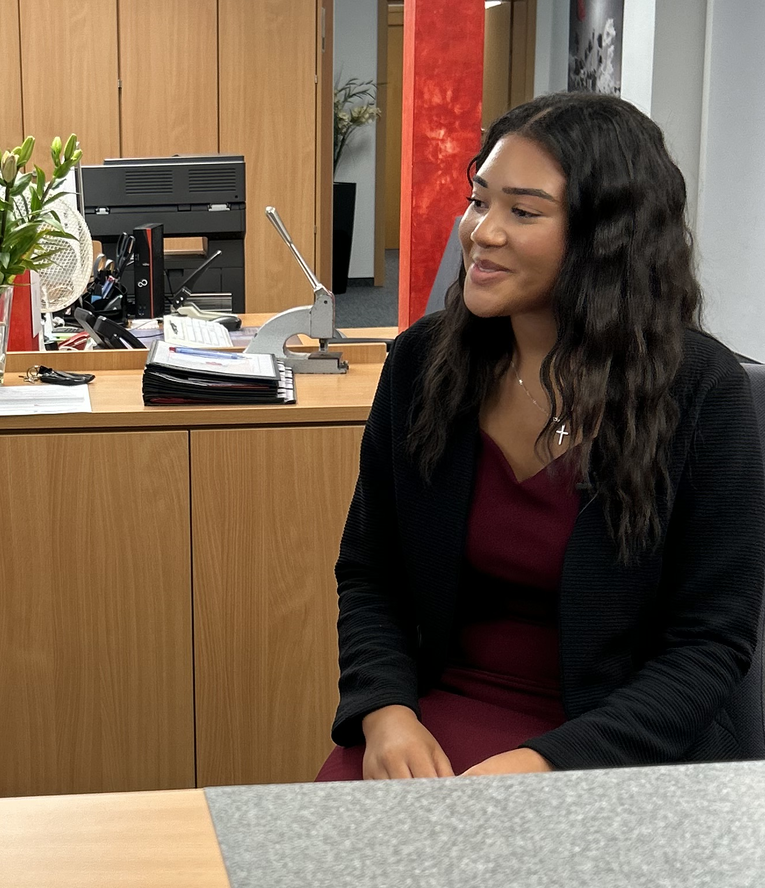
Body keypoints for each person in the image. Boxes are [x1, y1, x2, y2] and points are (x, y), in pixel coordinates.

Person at [322, 92, 765, 781]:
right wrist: (385, 714)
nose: (481, 232)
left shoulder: (700, 392)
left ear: (604, 237)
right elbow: (370, 574)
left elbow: (709, 646)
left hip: (617, 744)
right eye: (479, 200)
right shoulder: (422, 364)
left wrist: (542, 765)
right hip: (430, 718)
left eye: (522, 212)